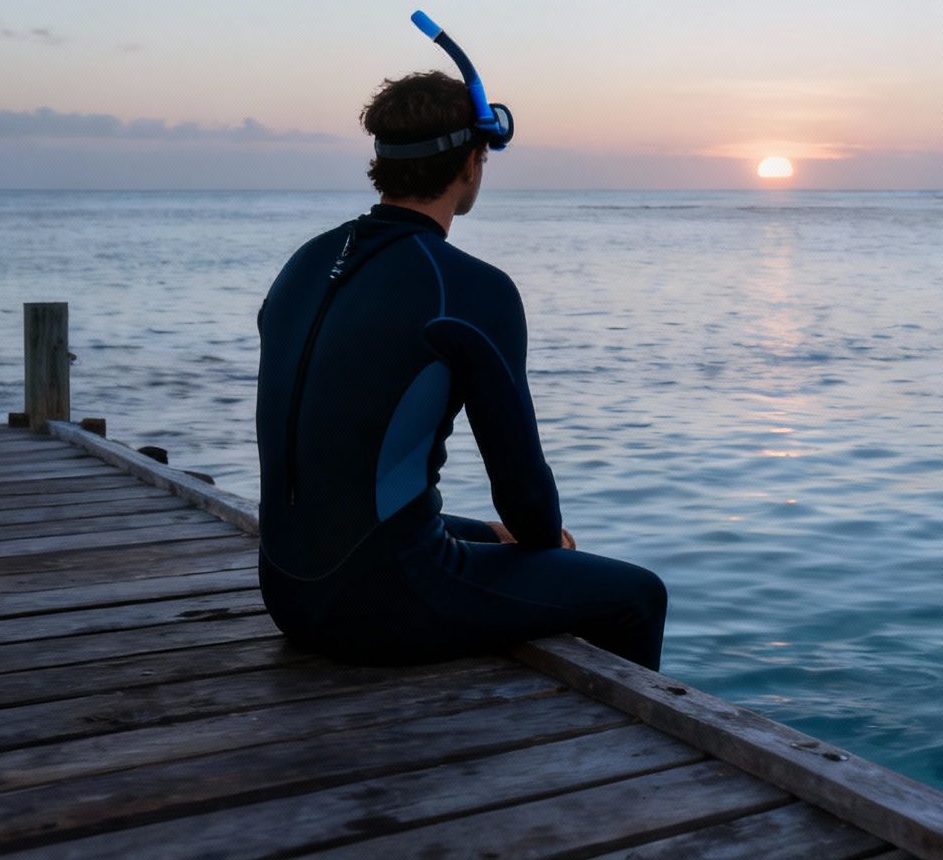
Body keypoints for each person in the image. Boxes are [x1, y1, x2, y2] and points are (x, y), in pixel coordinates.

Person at [254, 68, 667, 669]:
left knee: (484, 535)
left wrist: (516, 542)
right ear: (472, 162)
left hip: (288, 591)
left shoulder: (306, 261)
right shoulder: (471, 290)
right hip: (380, 606)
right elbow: (523, 493)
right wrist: (545, 545)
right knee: (637, 594)